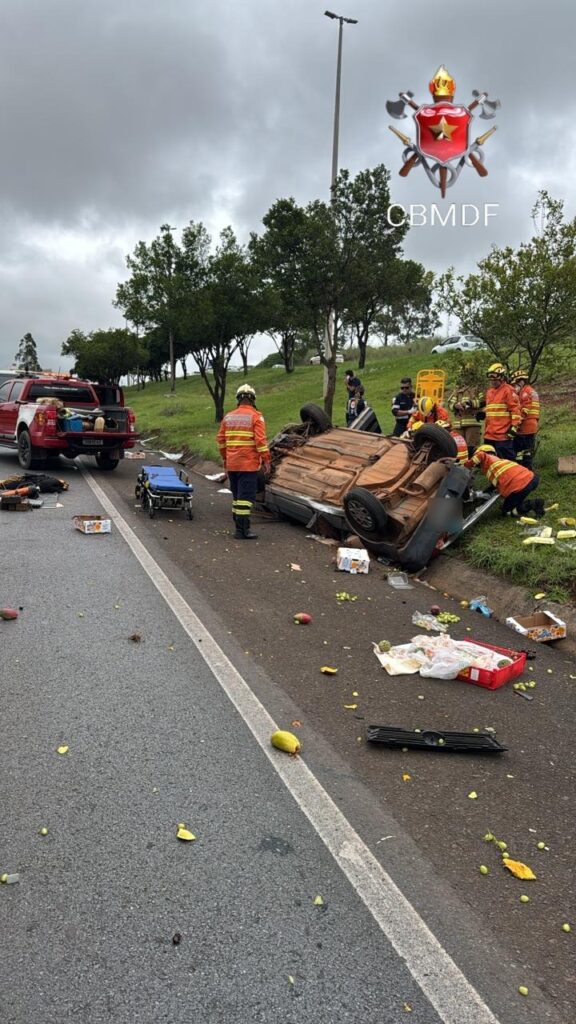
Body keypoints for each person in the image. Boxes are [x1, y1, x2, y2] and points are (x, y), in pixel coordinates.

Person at [217, 384, 271, 540]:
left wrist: (226, 458)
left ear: (238, 399)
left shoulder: (228, 417)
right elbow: (260, 442)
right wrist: (266, 460)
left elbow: (221, 440)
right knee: (245, 499)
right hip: (248, 465)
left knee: (237, 497)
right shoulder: (256, 417)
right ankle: (242, 531)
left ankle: (238, 525)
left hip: (232, 464)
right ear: (253, 400)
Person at [465, 444, 543, 517]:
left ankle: (532, 504)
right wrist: (487, 490)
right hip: (532, 478)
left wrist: (467, 465)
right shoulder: (499, 461)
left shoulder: (485, 458)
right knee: (509, 504)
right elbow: (496, 483)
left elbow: (480, 455)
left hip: (521, 485)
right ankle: (531, 506)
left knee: (507, 512)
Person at [482, 363, 521, 460]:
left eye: (495, 379)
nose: (493, 382)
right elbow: (493, 409)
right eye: (491, 380)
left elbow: (515, 410)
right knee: (489, 461)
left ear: (502, 378)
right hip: (489, 434)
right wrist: (483, 413)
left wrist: (514, 427)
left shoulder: (508, 390)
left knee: (507, 461)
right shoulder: (489, 392)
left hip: (502, 435)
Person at [511, 368, 540, 469]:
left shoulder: (525, 392)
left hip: (525, 426)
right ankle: (527, 470)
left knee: (519, 450)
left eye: (516, 384)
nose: (515, 386)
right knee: (527, 451)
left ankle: (522, 469)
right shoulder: (532, 391)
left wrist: (517, 422)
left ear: (521, 381)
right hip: (532, 425)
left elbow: (525, 410)